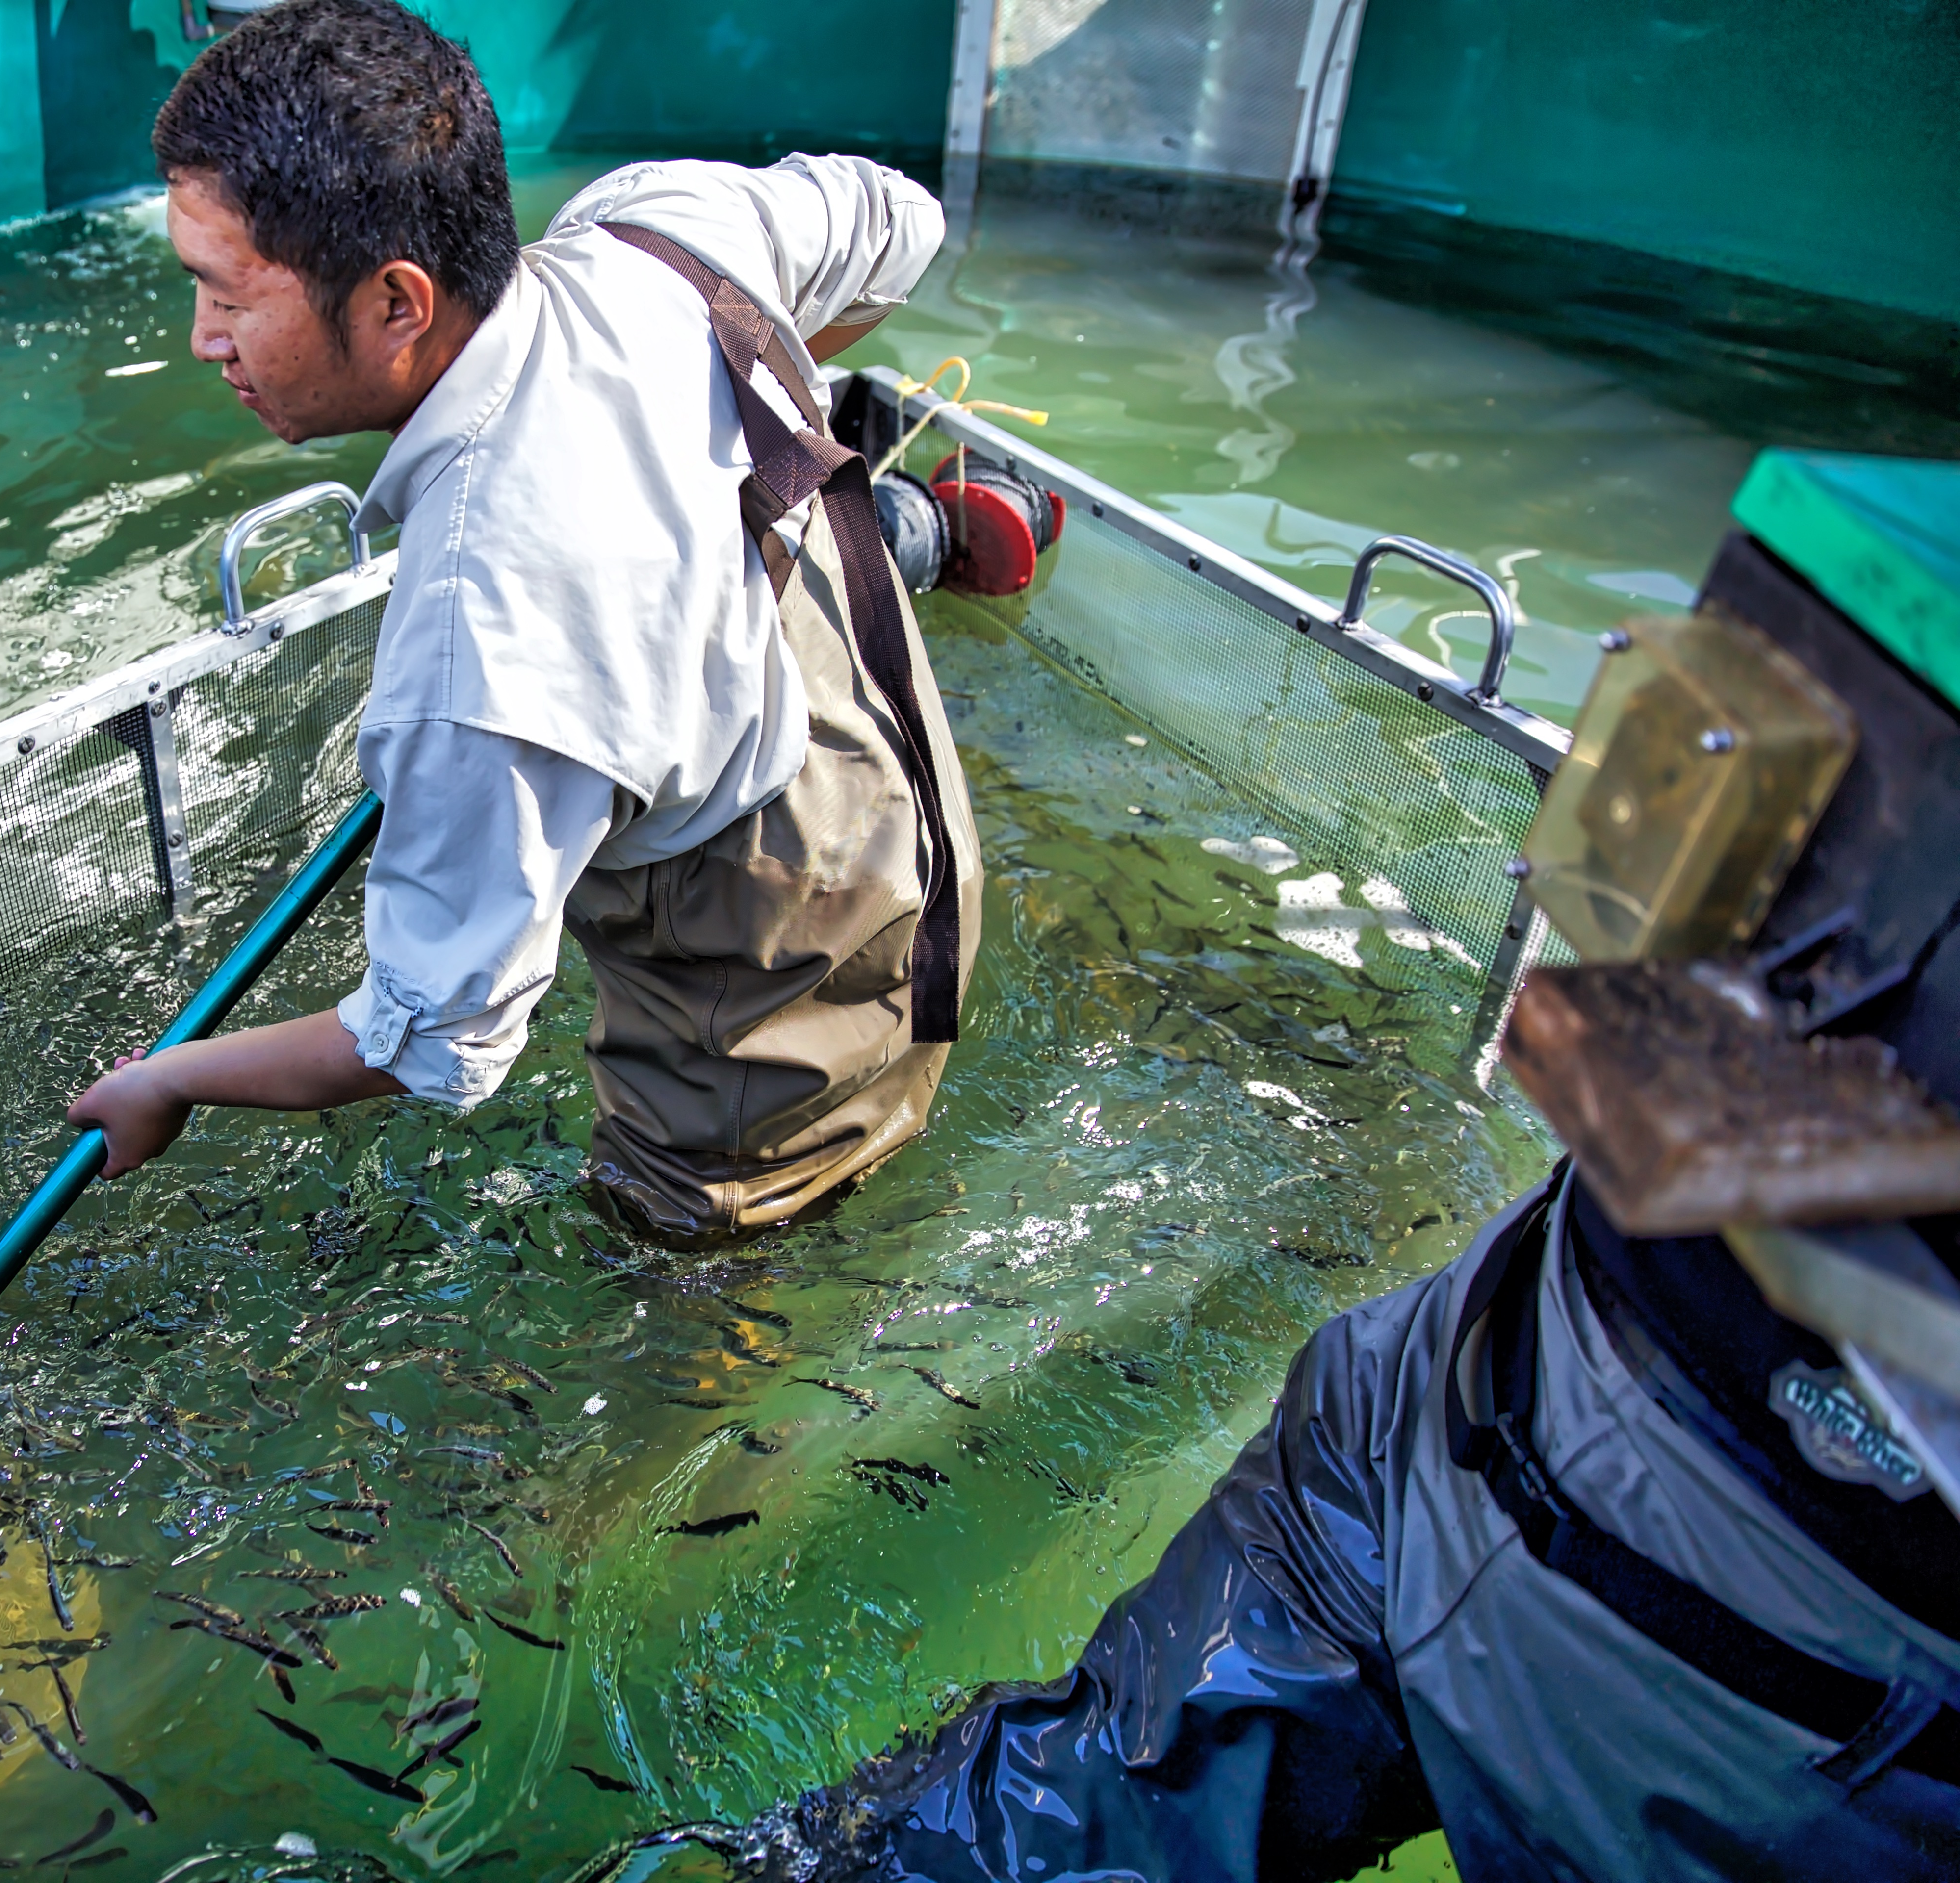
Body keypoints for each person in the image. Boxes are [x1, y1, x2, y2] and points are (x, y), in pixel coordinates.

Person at [689, 490, 1960, 1880]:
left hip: (1471, 1409)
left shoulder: (1866, 549)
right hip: (1716, 1660)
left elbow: (1610, 926)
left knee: (1028, 1819)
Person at [67, 0, 980, 1242]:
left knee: (705, 1264)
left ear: (398, 301)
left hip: (762, 992)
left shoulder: (476, 640)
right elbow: (901, 223)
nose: (201, 341)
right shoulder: (658, 233)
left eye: (227, 297)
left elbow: (436, 1041)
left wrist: (170, 1078)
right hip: (895, 788)